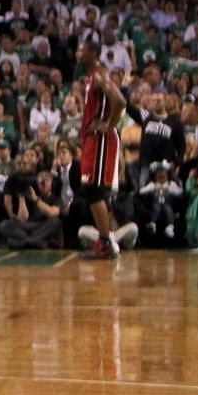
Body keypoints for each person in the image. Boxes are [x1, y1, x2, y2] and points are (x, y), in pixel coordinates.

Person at [75, 43, 127, 260]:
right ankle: (105, 240)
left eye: (82, 50)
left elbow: (120, 101)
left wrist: (109, 125)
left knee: (94, 190)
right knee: (93, 191)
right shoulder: (91, 77)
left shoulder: (100, 75)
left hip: (101, 138)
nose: (78, 53)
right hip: (92, 138)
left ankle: (106, 243)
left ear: (93, 53)